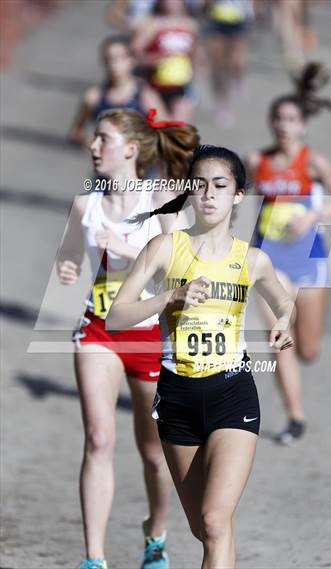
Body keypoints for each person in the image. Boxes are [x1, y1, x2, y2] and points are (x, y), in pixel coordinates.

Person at [107, 145, 295, 568]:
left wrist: (283, 320)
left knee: (214, 521)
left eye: (220, 185)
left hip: (233, 395)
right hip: (177, 398)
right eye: (200, 184)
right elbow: (117, 316)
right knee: (205, 528)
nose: (209, 194)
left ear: (238, 195)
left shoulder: (252, 260)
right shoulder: (164, 248)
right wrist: (168, 297)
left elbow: (285, 304)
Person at [57, 108, 199, 569]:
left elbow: (180, 267)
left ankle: (155, 536)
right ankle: (93, 558)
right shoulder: (86, 204)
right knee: (98, 438)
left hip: (149, 334)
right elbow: (71, 253)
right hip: (99, 329)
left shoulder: (161, 200)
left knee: (155, 452)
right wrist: (69, 265)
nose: (93, 146)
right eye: (94, 138)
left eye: (103, 139)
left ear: (131, 150)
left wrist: (128, 250)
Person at [246, 62, 331, 445]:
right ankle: (295, 416)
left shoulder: (313, 162)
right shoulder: (255, 162)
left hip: (308, 260)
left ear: (303, 124)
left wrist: (314, 213)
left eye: (291, 119)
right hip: (270, 260)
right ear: (270, 122)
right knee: (280, 338)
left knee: (307, 349)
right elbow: (235, 198)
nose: (283, 125)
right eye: (278, 118)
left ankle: (303, 374)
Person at [69, 35, 165, 149]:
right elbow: (75, 132)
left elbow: (167, 129)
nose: (114, 64)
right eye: (109, 59)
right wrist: (90, 142)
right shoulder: (94, 96)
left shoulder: (145, 95)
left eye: (120, 58)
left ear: (132, 60)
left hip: (141, 164)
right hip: (108, 164)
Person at [131, 0, 199, 122]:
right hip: (153, 85)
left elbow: (195, 53)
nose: (171, 3)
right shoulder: (152, 24)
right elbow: (134, 55)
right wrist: (156, 59)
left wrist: (195, 67)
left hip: (181, 85)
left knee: (178, 130)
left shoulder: (190, 25)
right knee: (160, 125)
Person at [204, 0, 253, 126]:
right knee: (218, 65)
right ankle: (222, 103)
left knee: (235, 62)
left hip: (238, 18)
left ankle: (238, 80)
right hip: (217, 18)